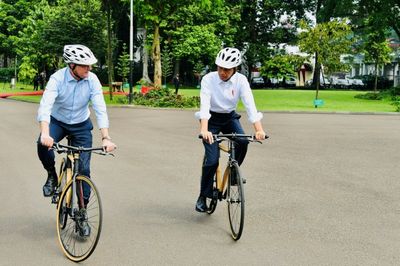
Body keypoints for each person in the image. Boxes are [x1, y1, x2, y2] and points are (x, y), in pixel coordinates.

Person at [37, 45, 117, 234]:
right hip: (58, 122)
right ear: (72, 65)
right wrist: (45, 133)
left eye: (90, 66)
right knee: (41, 146)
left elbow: (100, 108)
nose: (89, 69)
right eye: (85, 66)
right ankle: (51, 175)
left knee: (84, 170)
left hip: (81, 124)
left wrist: (106, 137)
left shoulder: (92, 80)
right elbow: (45, 106)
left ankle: (82, 214)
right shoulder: (57, 78)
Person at [194, 47, 266, 212]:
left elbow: (250, 105)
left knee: (243, 141)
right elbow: (204, 105)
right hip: (211, 119)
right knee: (212, 160)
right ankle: (203, 196)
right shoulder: (208, 79)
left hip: (229, 117)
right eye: (220, 67)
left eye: (226, 69)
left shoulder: (241, 81)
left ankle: (234, 171)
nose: (222, 72)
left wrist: (259, 129)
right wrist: (204, 130)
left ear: (235, 69)